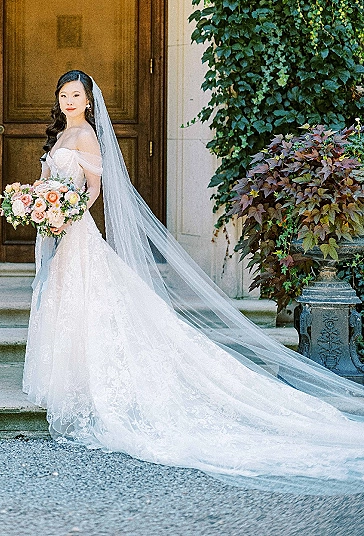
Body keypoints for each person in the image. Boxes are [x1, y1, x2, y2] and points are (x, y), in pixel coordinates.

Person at [22, 70, 364, 494]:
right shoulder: (60, 136)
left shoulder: (88, 136)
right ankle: (72, 379)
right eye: (63, 95)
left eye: (76, 95)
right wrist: (36, 203)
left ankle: (96, 381)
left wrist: (66, 212)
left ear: (89, 101)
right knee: (65, 299)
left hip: (75, 230)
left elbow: (94, 189)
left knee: (89, 299)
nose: (69, 101)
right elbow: (49, 183)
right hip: (57, 230)